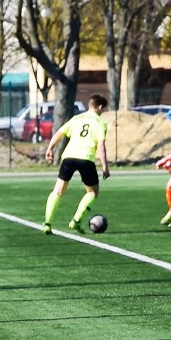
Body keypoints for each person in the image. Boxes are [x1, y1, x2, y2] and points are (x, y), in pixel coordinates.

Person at [43, 94, 110, 235]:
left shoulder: (76, 119)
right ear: (99, 107)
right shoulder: (100, 123)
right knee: (92, 192)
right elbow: (101, 146)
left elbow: (58, 134)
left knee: (58, 191)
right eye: (103, 109)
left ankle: (47, 224)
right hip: (86, 158)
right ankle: (76, 220)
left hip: (68, 157)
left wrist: (50, 149)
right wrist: (105, 166)